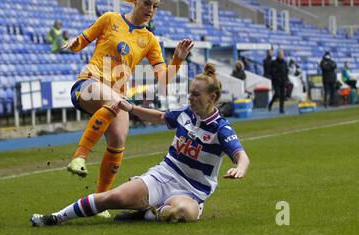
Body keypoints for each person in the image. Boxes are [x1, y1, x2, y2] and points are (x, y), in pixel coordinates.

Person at [30, 63, 250, 226]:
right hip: (162, 176)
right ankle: (56, 217)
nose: (190, 98)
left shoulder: (221, 129)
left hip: (191, 191)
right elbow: (159, 117)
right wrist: (131, 109)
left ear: (213, 97)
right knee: (112, 198)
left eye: (195, 94)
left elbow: (241, 155)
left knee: (183, 212)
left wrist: (239, 168)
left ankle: (146, 211)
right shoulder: (185, 113)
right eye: (189, 93)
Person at [59, 0, 194, 218]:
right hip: (88, 84)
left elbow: (163, 80)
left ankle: (100, 202)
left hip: (115, 96)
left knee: (118, 140)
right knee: (114, 101)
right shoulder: (110, 19)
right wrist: (71, 43)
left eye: (155, 6)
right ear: (134, 0)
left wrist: (178, 60)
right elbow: (85, 38)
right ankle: (79, 158)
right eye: (146, 3)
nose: (150, 10)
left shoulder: (150, 40)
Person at [268, 49, 288, 114]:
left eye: (282, 54)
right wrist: (276, 77)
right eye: (280, 54)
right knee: (277, 94)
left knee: (282, 95)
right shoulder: (274, 63)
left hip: (283, 81)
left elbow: (286, 71)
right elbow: (271, 72)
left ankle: (281, 108)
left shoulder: (284, 63)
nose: (281, 55)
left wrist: (286, 79)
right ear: (278, 55)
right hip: (276, 81)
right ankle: (271, 103)